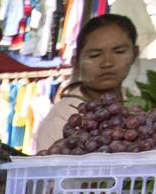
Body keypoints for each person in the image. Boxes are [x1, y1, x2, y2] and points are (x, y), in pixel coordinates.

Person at [32, 14, 139, 155]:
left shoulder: (139, 105)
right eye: (95, 55)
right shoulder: (63, 118)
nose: (107, 63)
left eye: (119, 52)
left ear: (135, 53)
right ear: (76, 62)